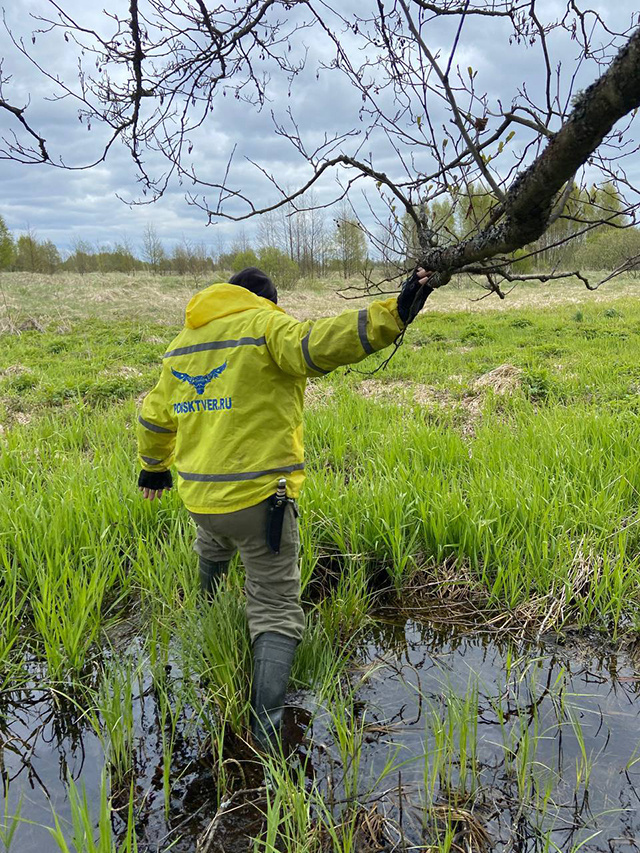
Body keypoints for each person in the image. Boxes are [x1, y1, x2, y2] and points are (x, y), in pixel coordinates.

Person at [137, 264, 433, 750]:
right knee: (274, 608)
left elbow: (154, 415)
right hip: (258, 500)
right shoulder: (264, 325)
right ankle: (268, 728)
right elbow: (318, 343)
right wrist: (393, 314)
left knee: (212, 547)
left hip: (200, 498)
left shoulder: (184, 343)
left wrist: (153, 468)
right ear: (267, 301)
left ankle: (206, 629)